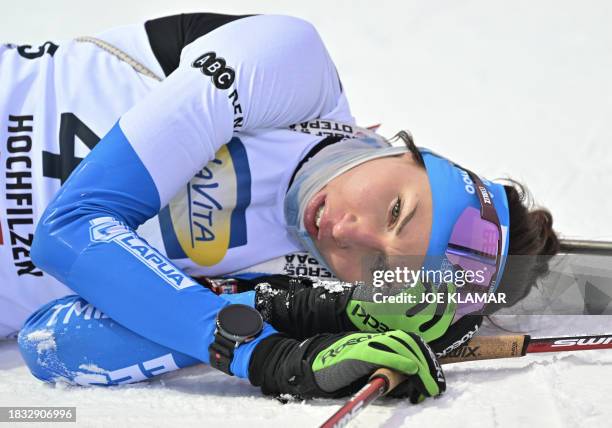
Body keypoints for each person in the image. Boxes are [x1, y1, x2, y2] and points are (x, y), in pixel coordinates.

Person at [2, 13, 558, 400]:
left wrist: (312, 314)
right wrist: (260, 355)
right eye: (394, 212)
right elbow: (70, 230)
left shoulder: (288, 281)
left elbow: (51, 343)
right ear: (413, 154)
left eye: (379, 268)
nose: (348, 235)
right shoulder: (295, 68)